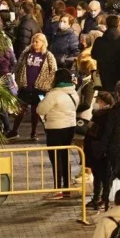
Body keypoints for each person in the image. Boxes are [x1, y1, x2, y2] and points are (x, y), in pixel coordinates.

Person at [36, 69, 79, 199]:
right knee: (65, 157)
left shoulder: (54, 94)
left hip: (55, 128)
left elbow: (40, 109)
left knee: (55, 159)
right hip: (70, 127)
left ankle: (58, 189)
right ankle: (66, 189)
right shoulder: (74, 92)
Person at [9, 33, 57, 140]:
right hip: (26, 86)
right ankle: (14, 130)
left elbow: (53, 71)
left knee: (36, 112)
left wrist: (48, 84)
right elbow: (19, 66)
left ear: (43, 43)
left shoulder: (48, 55)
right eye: (33, 41)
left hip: (39, 88)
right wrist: (16, 77)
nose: (34, 43)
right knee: (20, 110)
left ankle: (34, 132)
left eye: (37, 41)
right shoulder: (26, 53)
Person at [84, 92, 115, 211]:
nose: (97, 104)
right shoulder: (98, 113)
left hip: (100, 149)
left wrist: (92, 126)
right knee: (96, 174)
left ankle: (103, 198)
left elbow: (104, 132)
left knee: (103, 175)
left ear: (105, 103)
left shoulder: (108, 114)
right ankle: (96, 197)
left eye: (99, 102)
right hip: (94, 148)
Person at [91, 15, 120, 92]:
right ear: (118, 25)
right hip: (119, 76)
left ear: (106, 25)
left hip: (103, 75)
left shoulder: (99, 41)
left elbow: (93, 55)